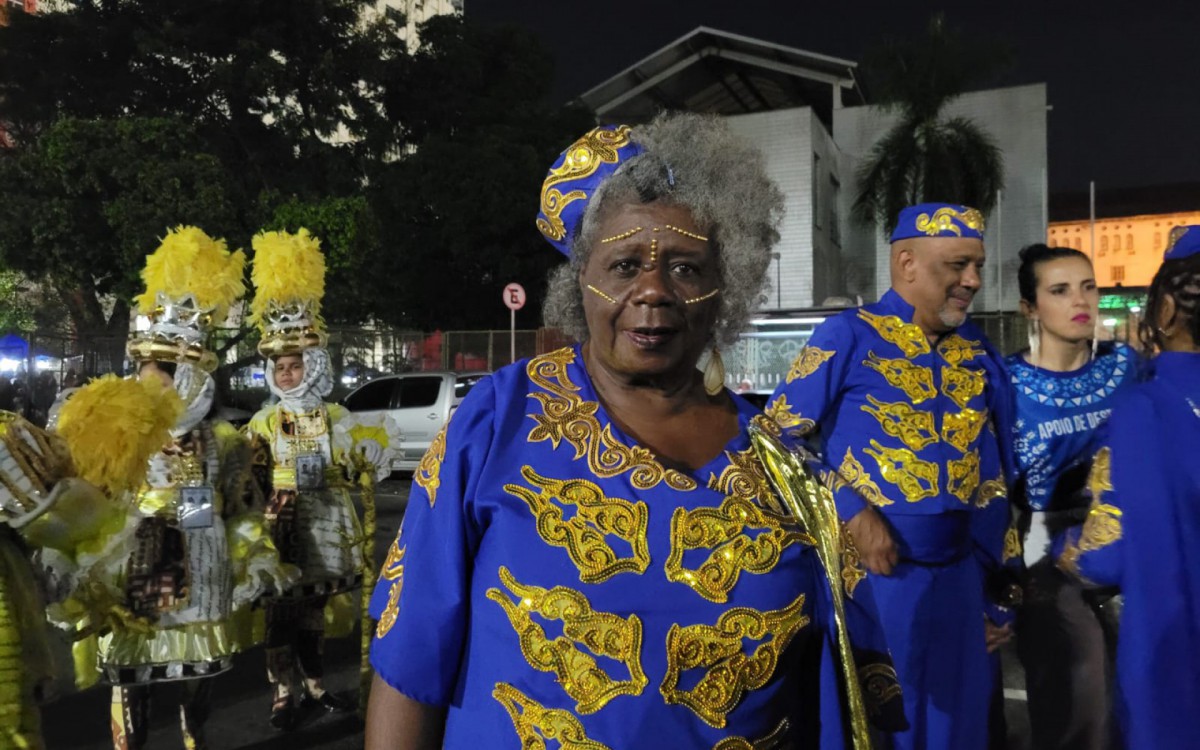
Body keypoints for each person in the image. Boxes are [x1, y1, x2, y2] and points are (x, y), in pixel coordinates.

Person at [366, 114, 904, 749]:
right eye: (624, 265)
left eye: (685, 268)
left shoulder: (783, 463)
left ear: (724, 288)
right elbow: (410, 660)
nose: (653, 290)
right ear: (580, 286)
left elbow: (834, 693)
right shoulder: (493, 424)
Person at [768, 203, 1018, 749]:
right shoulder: (847, 336)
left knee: (958, 729)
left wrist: (1000, 591)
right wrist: (851, 510)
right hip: (871, 585)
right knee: (873, 729)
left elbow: (995, 479)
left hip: (958, 578)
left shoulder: (978, 353)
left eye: (976, 265)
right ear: (906, 263)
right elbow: (774, 439)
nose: (972, 281)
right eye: (957, 265)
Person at [58, 226, 294, 749]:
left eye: (159, 375)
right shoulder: (114, 437)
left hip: (200, 582)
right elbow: (86, 507)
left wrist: (256, 558)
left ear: (189, 379)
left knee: (195, 683)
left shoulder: (224, 442)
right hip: (130, 581)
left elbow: (244, 512)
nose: (147, 385)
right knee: (129, 686)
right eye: (141, 372)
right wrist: (69, 562)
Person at [244, 228, 395, 730]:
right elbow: (249, 477)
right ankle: (282, 692)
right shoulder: (263, 422)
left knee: (312, 609)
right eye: (280, 368)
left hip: (326, 519)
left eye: (295, 365)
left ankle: (314, 686)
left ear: (312, 364)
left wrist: (363, 461)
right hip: (282, 522)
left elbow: (356, 459)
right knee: (279, 613)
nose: (287, 375)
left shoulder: (334, 414)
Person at [1055, 226, 1200, 749]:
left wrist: (1059, 549)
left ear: (1163, 313)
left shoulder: (1146, 408)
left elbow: (1103, 554)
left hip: (1177, 667)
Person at [1006, 243, 1137, 749]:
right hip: (1045, 551)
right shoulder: (1007, 382)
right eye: (1059, 291)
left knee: (1139, 688)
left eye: (1088, 286)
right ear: (1030, 308)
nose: (1080, 301)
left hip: (1129, 541)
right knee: (1075, 700)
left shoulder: (1126, 365)